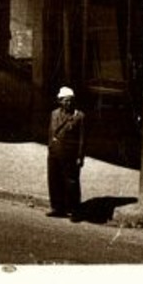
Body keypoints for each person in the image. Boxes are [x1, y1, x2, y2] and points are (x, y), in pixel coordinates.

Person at [46, 85, 87, 220]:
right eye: (65, 100)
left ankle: (74, 210)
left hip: (70, 155)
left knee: (72, 183)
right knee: (54, 180)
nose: (68, 103)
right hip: (55, 153)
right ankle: (57, 207)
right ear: (60, 101)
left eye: (70, 100)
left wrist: (80, 157)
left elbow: (82, 139)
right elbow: (51, 132)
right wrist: (50, 147)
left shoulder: (79, 116)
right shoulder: (54, 114)